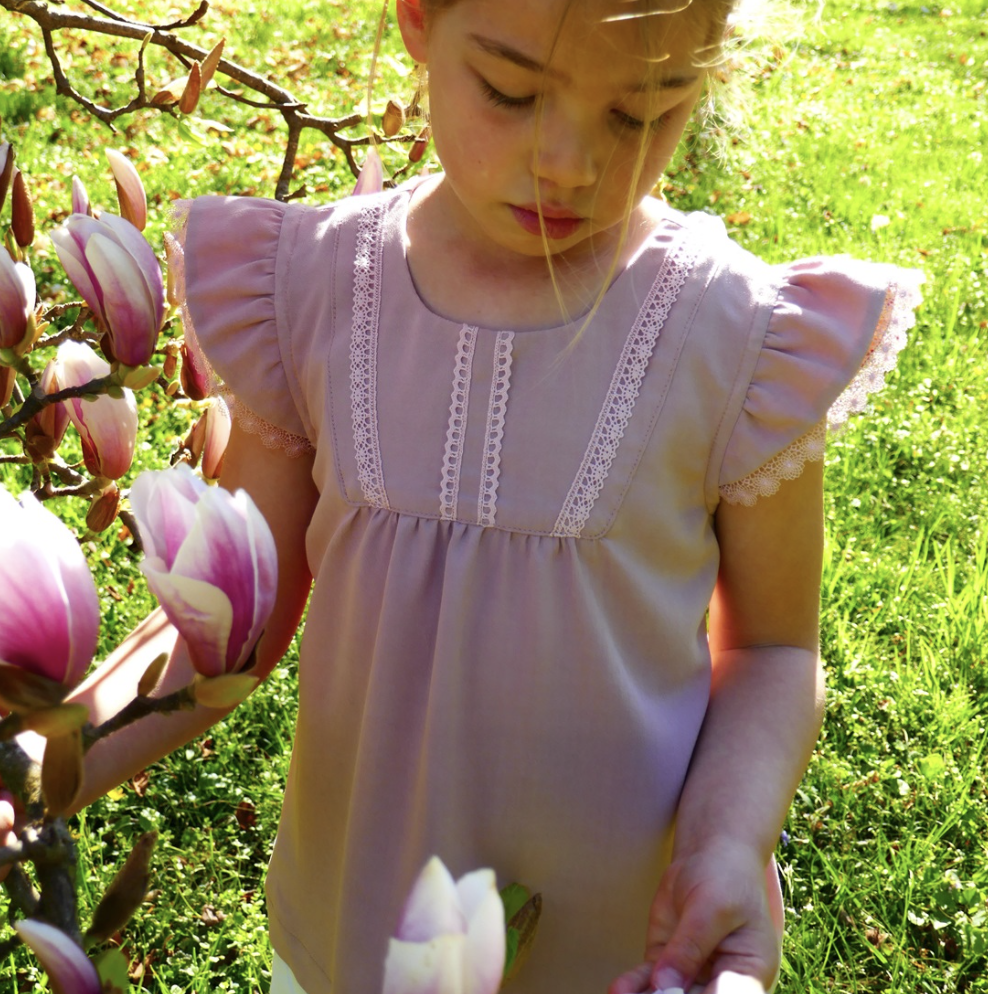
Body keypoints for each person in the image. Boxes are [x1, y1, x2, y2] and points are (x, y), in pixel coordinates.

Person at [60, 0, 924, 991]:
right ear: (420, 19)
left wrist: (726, 843)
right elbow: (228, 625)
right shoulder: (307, 290)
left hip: (625, 944)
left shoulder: (734, 337)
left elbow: (773, 646)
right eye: (511, 92)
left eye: (642, 112)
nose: (569, 163)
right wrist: (45, 766)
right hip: (360, 923)